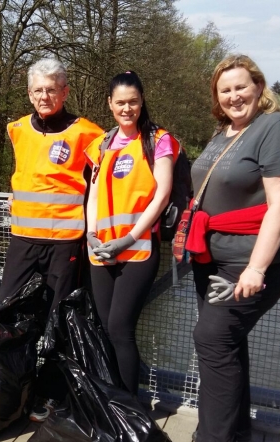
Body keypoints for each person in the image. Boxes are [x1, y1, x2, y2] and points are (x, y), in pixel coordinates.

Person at [184, 55, 280, 442]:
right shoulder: (226, 132)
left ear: (258, 86)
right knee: (227, 343)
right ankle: (236, 429)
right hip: (214, 257)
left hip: (249, 260)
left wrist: (256, 267)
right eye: (225, 90)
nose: (234, 96)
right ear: (217, 98)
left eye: (241, 87)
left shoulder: (276, 128)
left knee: (213, 339)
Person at [0, 58, 103, 422]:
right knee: (8, 311)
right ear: (29, 93)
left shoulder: (88, 134)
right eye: (38, 90)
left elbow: (105, 185)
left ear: (65, 92)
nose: (45, 96)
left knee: (59, 320)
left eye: (52, 89)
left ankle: (51, 395)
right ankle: (13, 387)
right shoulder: (16, 128)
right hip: (23, 240)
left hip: (64, 242)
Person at [85, 71, 179, 396]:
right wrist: (90, 234)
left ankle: (130, 406)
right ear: (110, 104)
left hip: (137, 249)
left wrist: (129, 237)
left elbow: (162, 194)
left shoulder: (158, 140)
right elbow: (94, 195)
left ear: (142, 101)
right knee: (105, 329)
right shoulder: (101, 144)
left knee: (120, 328)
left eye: (133, 101)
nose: (127, 108)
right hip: (101, 250)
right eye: (121, 102)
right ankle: (111, 400)